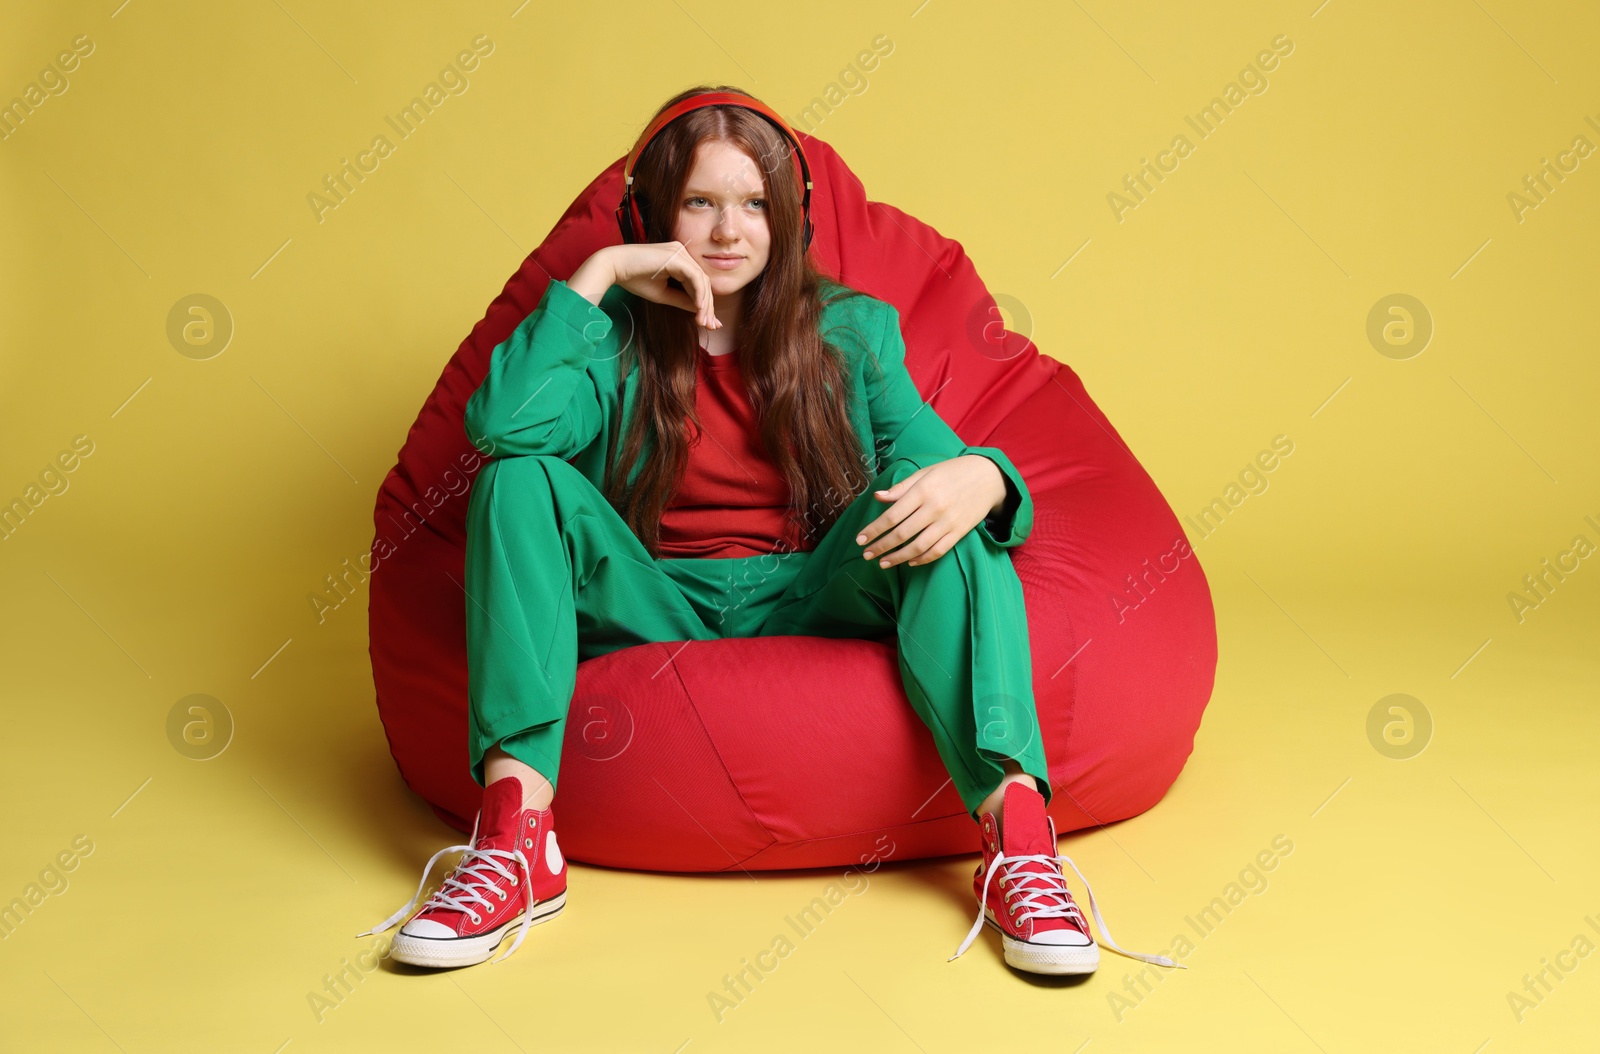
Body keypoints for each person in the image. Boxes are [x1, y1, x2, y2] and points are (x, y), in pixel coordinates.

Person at [359, 85, 1178, 979]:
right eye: (701, 202)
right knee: (518, 481)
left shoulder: (855, 331)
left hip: (813, 589)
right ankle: (518, 843)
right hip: (651, 594)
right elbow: (502, 429)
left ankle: (1021, 844)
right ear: (654, 211)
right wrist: (596, 277)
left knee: (932, 495)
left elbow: (940, 472)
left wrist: (989, 475)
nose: (727, 231)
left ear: (790, 217)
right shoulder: (607, 336)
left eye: (754, 204)